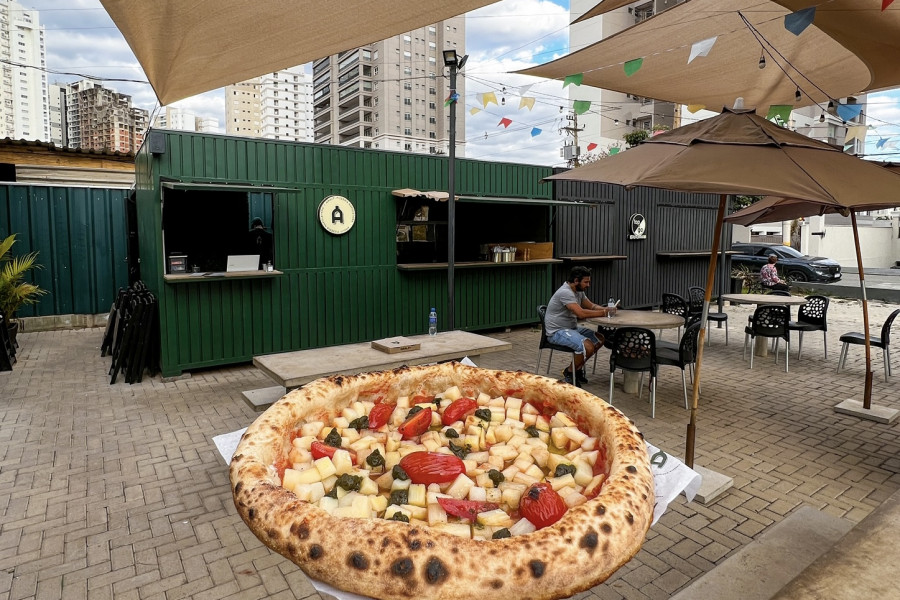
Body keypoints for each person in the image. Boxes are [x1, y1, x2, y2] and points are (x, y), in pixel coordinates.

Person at [544, 266, 610, 385]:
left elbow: (591, 306)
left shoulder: (578, 291)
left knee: (600, 339)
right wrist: (604, 312)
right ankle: (570, 372)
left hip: (571, 328)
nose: (588, 285)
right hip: (557, 332)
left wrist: (608, 309)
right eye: (586, 282)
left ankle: (577, 369)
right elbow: (581, 313)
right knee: (588, 347)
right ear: (576, 281)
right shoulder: (566, 292)